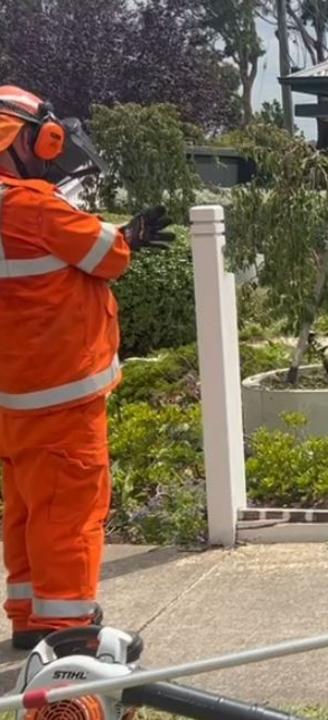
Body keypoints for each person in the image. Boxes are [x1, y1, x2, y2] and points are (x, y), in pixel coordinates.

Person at [0, 86, 175, 650]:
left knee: (26, 508)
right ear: (31, 138)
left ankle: (29, 615)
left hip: (13, 399)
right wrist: (127, 233)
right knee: (69, 511)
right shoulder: (33, 206)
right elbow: (108, 254)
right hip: (60, 394)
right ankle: (68, 629)